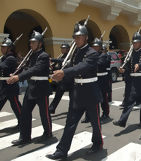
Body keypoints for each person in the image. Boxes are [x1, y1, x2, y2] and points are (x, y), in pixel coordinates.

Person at [46, 23, 103, 160]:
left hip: (90, 93)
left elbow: (81, 67)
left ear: (86, 38)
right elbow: (72, 69)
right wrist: (58, 76)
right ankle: (61, 150)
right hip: (77, 94)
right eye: (75, 37)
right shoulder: (75, 52)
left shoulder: (92, 53)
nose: (77, 40)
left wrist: (64, 72)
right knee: (70, 123)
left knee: (95, 123)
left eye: (79, 37)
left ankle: (97, 143)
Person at [8, 30, 52, 145]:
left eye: (33, 42)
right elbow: (27, 68)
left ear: (40, 44)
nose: (31, 44)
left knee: (44, 113)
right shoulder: (31, 55)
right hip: (31, 88)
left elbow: (35, 69)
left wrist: (19, 77)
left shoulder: (44, 56)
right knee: (25, 113)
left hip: (41, 88)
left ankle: (48, 133)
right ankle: (25, 137)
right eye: (31, 42)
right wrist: (16, 73)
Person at [113, 31, 141, 127]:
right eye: (133, 43)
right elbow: (128, 66)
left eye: (136, 42)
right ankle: (122, 121)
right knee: (129, 102)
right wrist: (123, 69)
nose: (135, 44)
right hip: (133, 83)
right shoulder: (131, 54)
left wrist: (139, 65)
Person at [0, 37, 22, 127]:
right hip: (4, 87)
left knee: (16, 107)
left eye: (4, 47)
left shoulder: (11, 58)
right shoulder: (4, 58)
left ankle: (23, 122)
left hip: (11, 87)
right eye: (2, 47)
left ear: (9, 48)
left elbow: (2, 66)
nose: (2, 48)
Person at [49, 43, 70, 114]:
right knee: (58, 95)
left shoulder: (69, 56)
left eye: (64, 48)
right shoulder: (62, 56)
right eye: (61, 48)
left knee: (74, 97)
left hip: (69, 79)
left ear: (67, 49)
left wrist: (52, 59)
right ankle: (51, 108)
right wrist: (53, 68)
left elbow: (62, 61)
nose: (62, 49)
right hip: (62, 80)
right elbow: (59, 67)